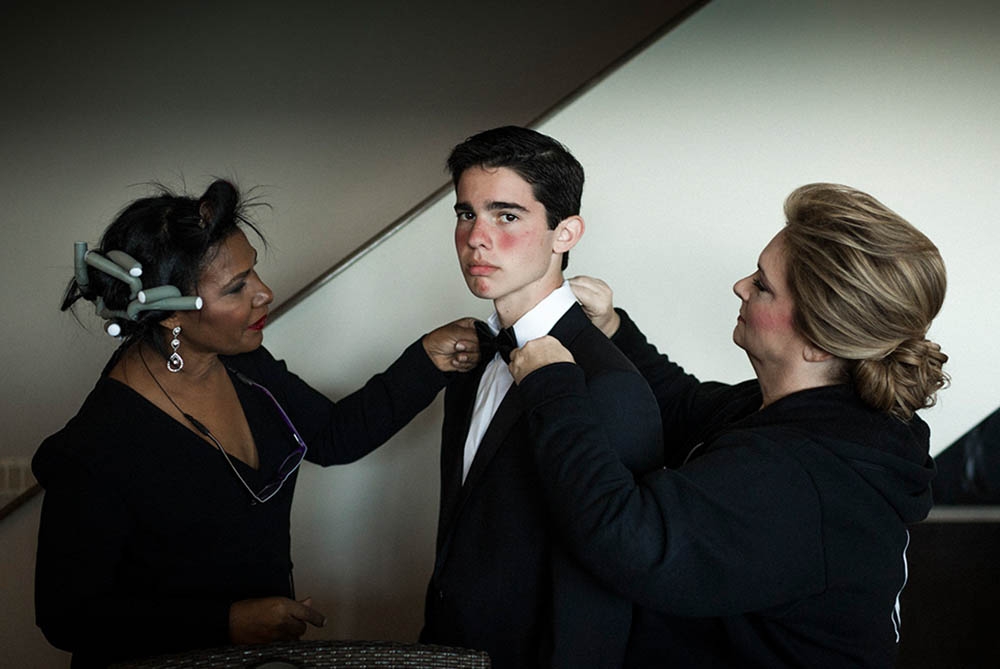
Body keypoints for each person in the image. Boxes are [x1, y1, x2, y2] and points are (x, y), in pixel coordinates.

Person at [33, 179, 479, 669]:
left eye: (254, 272)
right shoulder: (95, 449)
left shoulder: (245, 366)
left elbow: (332, 437)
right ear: (169, 317)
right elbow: (66, 617)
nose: (264, 293)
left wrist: (427, 360)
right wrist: (225, 622)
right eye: (236, 287)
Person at [509, 182, 948, 668]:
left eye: (762, 285)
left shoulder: (801, 476)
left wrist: (552, 388)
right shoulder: (813, 415)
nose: (740, 286)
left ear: (819, 342)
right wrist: (613, 329)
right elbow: (686, 408)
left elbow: (627, 539)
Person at [418, 126, 663, 669]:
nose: (476, 238)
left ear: (565, 233)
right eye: (466, 214)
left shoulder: (609, 384)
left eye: (506, 216)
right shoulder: (472, 355)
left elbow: (601, 589)